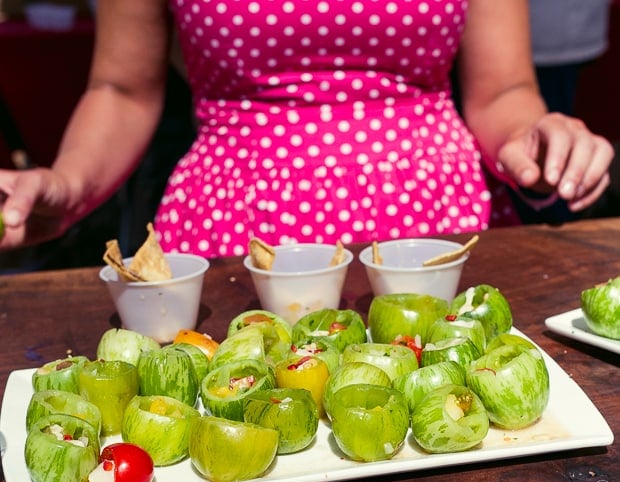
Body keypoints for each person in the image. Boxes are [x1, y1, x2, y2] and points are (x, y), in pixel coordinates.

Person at [0, 0, 613, 260]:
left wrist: (532, 139)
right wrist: (69, 182)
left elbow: (503, 92)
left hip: (438, 233)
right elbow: (123, 89)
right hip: (233, 240)